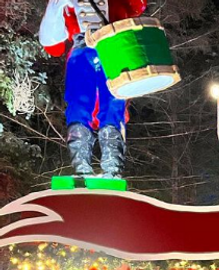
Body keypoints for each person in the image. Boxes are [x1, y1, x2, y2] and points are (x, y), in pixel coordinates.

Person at [40, 0, 144, 176]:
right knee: (78, 106)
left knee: (113, 104)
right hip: (81, 50)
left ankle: (112, 169)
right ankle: (81, 169)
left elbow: (137, 6)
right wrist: (56, 5)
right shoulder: (68, 5)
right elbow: (52, 43)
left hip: (113, 49)